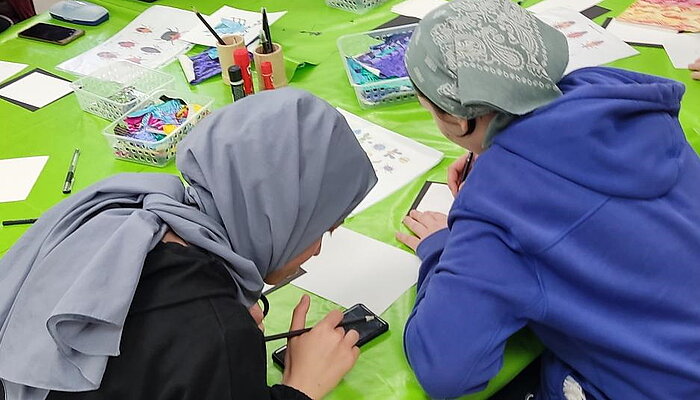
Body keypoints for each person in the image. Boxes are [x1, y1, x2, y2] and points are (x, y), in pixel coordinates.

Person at [395, 0, 700, 399]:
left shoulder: (499, 209)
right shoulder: (621, 101)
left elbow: (447, 372)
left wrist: (443, 248)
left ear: (454, 117)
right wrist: (492, 150)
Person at [0, 88, 377, 400]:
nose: (318, 250)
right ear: (288, 214)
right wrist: (301, 388)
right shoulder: (219, 338)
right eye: (324, 229)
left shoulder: (130, 209)